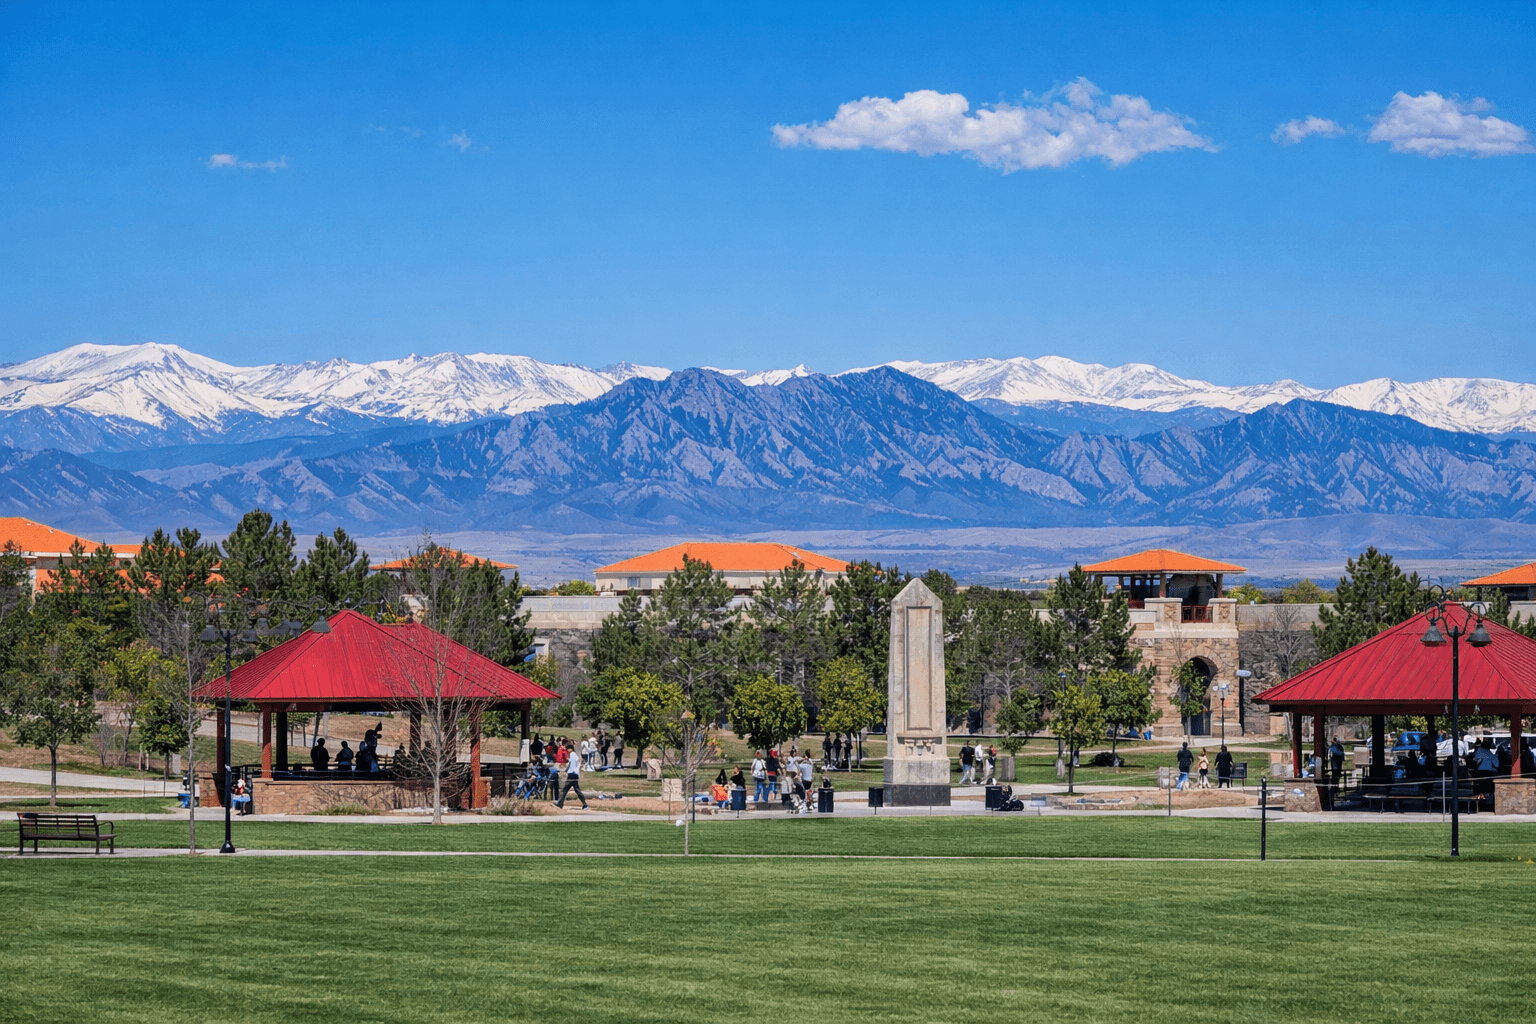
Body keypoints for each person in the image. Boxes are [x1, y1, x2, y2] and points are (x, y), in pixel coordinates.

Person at [554, 743, 589, 810]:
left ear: (571, 749)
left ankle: (560, 804)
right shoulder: (575, 755)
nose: (567, 750)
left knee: (565, 790)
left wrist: (566, 770)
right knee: (577, 790)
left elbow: (571, 765)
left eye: (568, 749)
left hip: (571, 775)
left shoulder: (572, 755)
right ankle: (585, 804)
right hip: (575, 774)